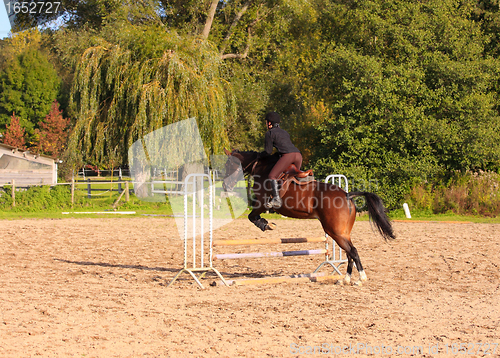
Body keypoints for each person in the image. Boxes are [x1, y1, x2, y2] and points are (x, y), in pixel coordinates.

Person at [260, 112, 302, 209]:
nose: (266, 124)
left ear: (270, 123)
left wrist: (259, 156)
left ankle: (276, 199)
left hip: (288, 156)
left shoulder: (269, 133)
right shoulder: (284, 132)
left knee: (272, 175)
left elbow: (267, 152)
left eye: (266, 122)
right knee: (291, 178)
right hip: (298, 155)